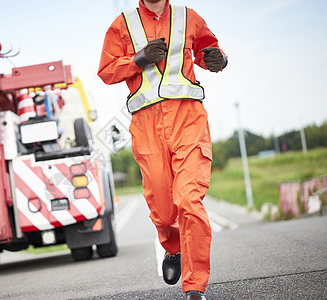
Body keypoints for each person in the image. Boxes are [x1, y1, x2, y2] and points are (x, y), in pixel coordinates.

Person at [97, 0, 227, 299]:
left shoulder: (188, 17)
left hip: (188, 120)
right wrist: (138, 59)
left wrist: (219, 60)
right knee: (165, 212)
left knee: (188, 199)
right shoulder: (122, 24)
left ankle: (195, 286)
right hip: (146, 126)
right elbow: (105, 71)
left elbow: (210, 53)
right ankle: (172, 248)